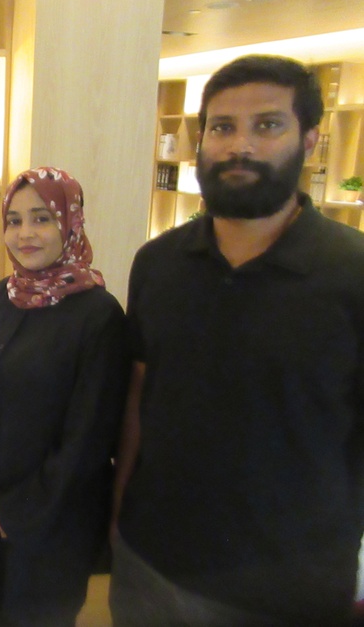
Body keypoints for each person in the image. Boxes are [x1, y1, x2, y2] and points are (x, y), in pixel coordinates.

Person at [110, 55, 364, 625]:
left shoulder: (352, 275)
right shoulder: (158, 263)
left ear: (312, 140)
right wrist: (119, 514)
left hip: (286, 590)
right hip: (151, 565)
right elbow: (139, 396)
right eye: (223, 127)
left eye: (268, 125)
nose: (239, 145)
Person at [0, 167, 128, 627]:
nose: (24, 234)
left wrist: (20, 508)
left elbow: (89, 438)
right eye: (13, 220)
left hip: (54, 517)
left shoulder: (98, 315)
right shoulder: (3, 298)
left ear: (70, 223)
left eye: (42, 218)